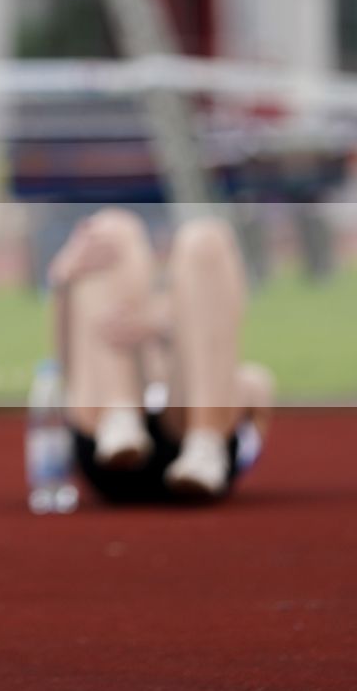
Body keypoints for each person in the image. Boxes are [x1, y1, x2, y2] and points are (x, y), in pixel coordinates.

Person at [48, 206, 275, 505]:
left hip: (199, 436)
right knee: (109, 230)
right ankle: (120, 415)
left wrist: (166, 324)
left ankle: (204, 443)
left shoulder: (188, 313)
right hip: (104, 437)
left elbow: (240, 367)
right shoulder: (112, 307)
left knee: (206, 238)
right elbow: (67, 362)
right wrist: (64, 281)